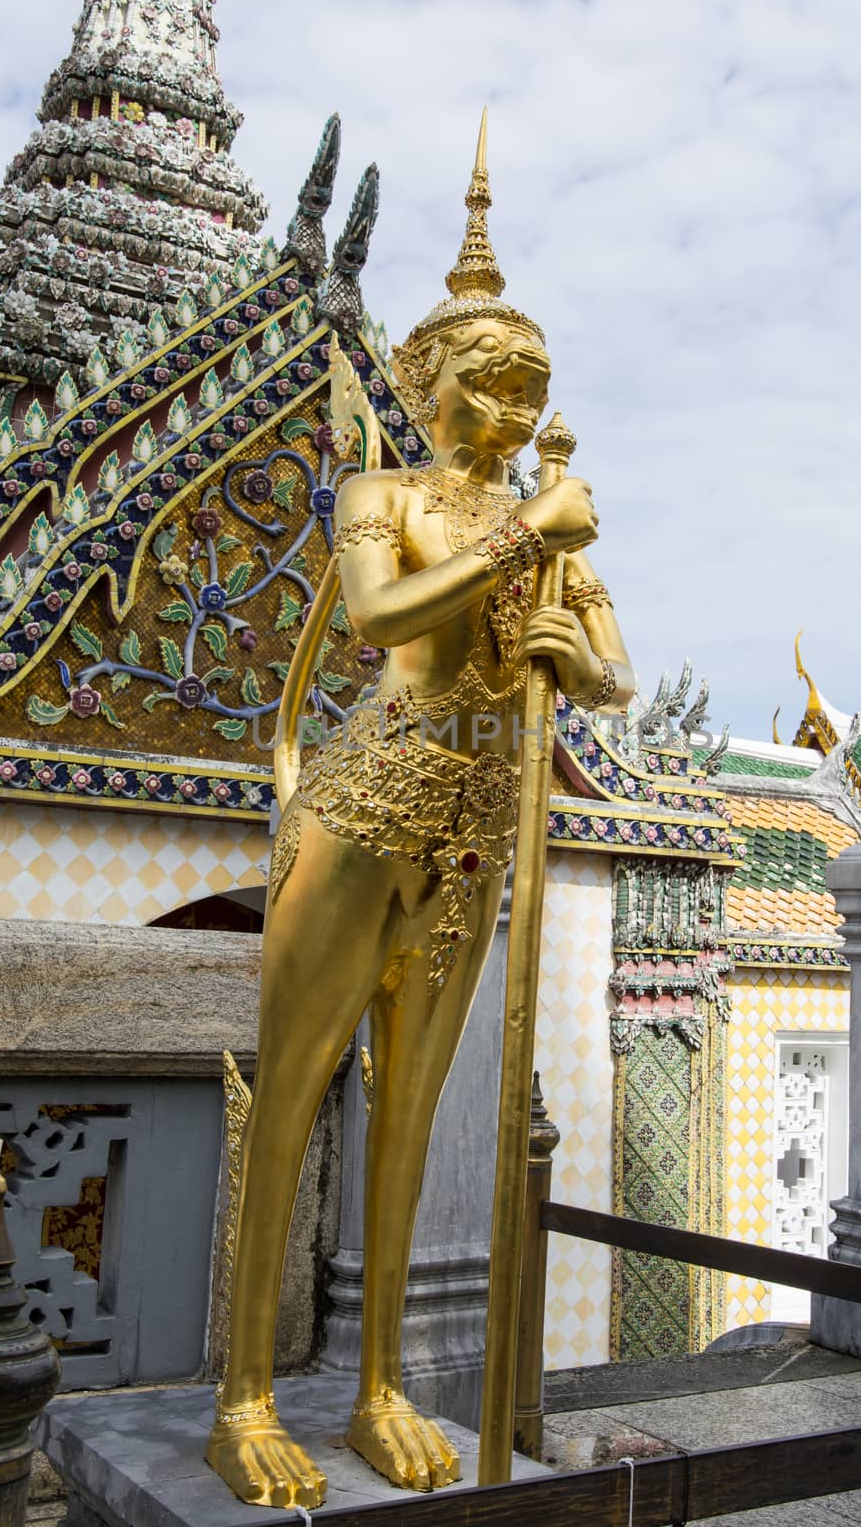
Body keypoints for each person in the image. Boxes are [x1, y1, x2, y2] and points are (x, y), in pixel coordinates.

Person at [206, 117, 635, 1510]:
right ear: (426, 381)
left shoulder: (556, 522)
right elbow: (380, 619)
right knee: (296, 1091)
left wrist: (575, 649)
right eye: (490, 390)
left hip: (474, 830)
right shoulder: (380, 492)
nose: (509, 420)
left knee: (414, 1114)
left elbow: (613, 674)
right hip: (360, 804)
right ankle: (245, 1396)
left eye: (532, 394)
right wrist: (524, 536)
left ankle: (385, 1381)